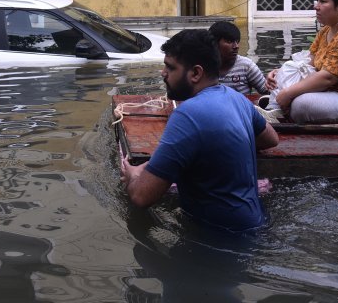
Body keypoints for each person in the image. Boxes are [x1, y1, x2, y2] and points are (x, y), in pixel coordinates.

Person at [120, 29, 280, 232]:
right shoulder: (235, 98)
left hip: (219, 238)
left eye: (170, 67)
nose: (163, 73)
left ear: (195, 73)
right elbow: (271, 139)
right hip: (256, 222)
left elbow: (141, 196)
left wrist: (133, 175)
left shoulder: (187, 115)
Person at [208, 21, 268, 95]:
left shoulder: (246, 66)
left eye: (237, 41)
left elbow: (268, 92)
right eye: (229, 41)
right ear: (215, 43)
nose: (236, 46)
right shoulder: (204, 68)